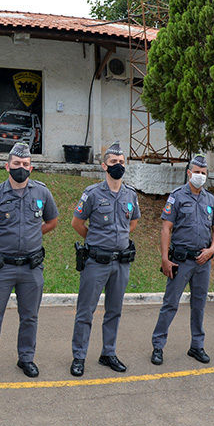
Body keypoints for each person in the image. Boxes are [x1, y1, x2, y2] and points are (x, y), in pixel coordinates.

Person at [0, 143, 58, 380]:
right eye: (16, 164)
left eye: (25, 164)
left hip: (31, 268)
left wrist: (32, 235)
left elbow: (52, 221)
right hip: (2, 267)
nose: (21, 168)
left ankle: (26, 358)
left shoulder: (42, 192)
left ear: (31, 167)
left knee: (30, 316)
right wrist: (2, 237)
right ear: (7, 166)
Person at [70, 141, 140, 377]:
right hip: (96, 262)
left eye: (121, 162)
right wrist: (96, 240)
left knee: (114, 310)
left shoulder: (130, 194)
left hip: (121, 263)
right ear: (104, 166)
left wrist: (118, 238)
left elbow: (133, 222)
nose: (118, 166)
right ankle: (79, 356)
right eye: (113, 162)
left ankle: (108, 353)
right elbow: (77, 223)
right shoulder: (92, 194)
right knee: (85, 311)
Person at [150, 154, 214, 366]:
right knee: (170, 304)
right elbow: (166, 228)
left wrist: (211, 250)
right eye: (196, 172)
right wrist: (165, 259)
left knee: (199, 305)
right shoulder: (177, 196)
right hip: (181, 261)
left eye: (203, 173)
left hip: (203, 262)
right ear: (189, 173)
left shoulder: (210, 200)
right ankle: (158, 346)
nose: (199, 176)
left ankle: (197, 346)